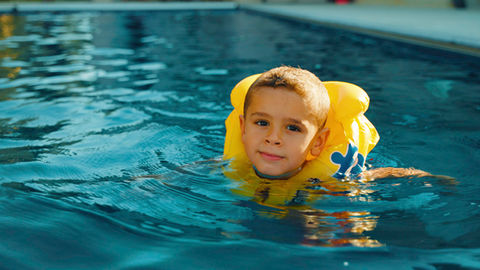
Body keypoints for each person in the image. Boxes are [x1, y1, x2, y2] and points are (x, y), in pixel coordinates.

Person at [224, 66, 444, 181]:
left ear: (318, 143)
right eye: (262, 122)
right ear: (243, 128)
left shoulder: (336, 180)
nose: (273, 138)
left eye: (293, 127)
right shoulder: (222, 169)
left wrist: (427, 177)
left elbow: (384, 173)